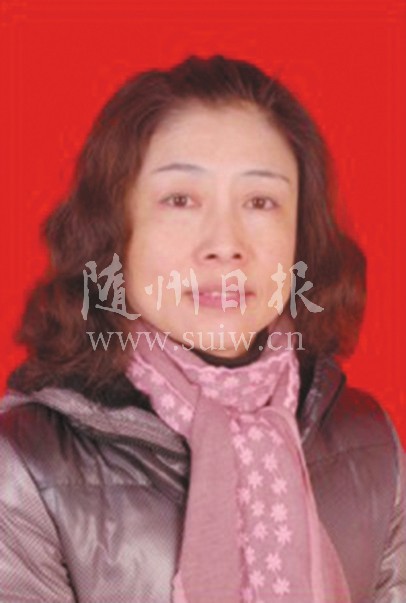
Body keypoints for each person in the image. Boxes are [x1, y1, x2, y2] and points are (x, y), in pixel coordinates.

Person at [0, 54, 405, 603]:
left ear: (300, 237)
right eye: (180, 200)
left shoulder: (371, 442)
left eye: (260, 202)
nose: (225, 243)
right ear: (114, 232)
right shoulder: (25, 465)